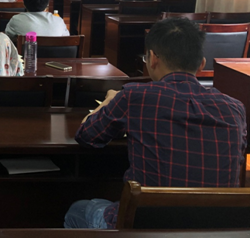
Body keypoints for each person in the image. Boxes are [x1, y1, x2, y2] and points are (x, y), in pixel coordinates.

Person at [64, 18, 247, 230]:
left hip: (146, 226)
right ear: (201, 64)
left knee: (77, 210)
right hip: (213, 229)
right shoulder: (235, 109)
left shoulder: (135, 96)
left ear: (152, 58)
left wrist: (109, 101)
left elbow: (87, 135)